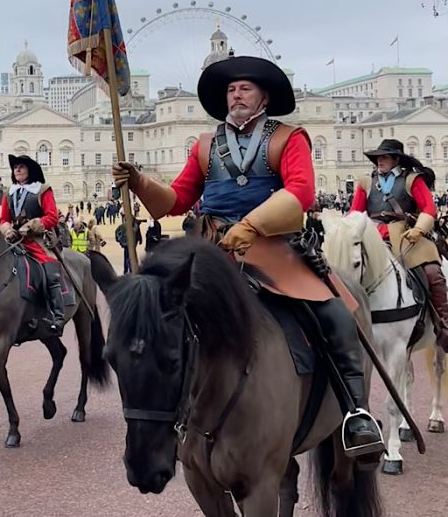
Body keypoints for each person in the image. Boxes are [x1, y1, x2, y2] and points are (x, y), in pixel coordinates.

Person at [112, 54, 383, 459]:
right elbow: (176, 200)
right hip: (213, 252)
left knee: (336, 313)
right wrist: (140, 183)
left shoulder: (288, 138)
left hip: (274, 249)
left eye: (245, 88)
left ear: (264, 97)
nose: (236, 95)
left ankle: (356, 413)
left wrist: (252, 226)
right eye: (230, 89)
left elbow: (300, 193)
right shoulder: (206, 145)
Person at [350, 139, 448, 352]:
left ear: (396, 159)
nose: (379, 161)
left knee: (432, 271)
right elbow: (355, 213)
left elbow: (429, 209)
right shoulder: (366, 182)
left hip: (406, 234)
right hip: (372, 235)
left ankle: (444, 323)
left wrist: (419, 229)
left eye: (384, 157)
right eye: (377, 157)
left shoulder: (412, 180)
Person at [0, 154, 64, 334]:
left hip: (38, 240)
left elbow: (51, 216)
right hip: (14, 240)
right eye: (15, 167)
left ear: (30, 170)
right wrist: (7, 230)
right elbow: (3, 218)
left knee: (50, 273)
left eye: (21, 166)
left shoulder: (42, 190)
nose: (17, 170)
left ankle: (57, 317)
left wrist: (31, 225)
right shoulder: (9, 193)